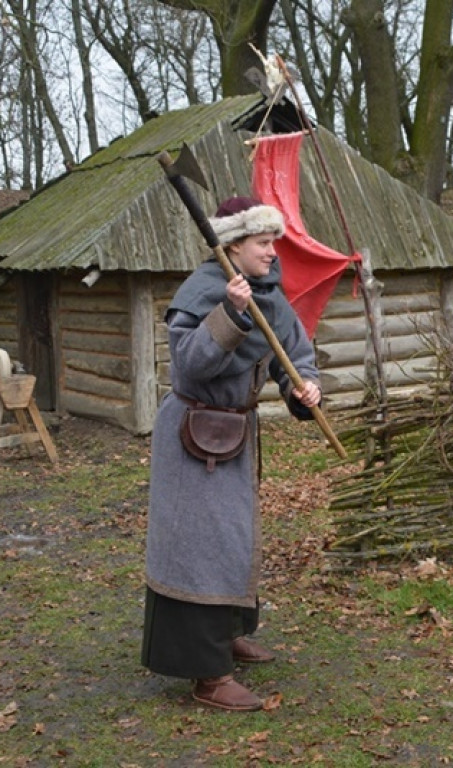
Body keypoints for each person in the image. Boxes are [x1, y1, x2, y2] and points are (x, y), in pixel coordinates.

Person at [142, 196, 322, 712]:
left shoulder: (272, 294)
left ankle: (228, 636)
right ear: (234, 246)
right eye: (263, 243)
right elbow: (190, 366)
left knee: (232, 538)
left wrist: (303, 388)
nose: (272, 252)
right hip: (191, 435)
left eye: (273, 242)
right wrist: (229, 312)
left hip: (237, 435)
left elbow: (296, 355)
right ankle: (208, 675)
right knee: (199, 547)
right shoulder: (202, 291)